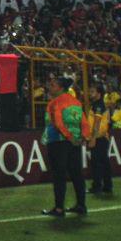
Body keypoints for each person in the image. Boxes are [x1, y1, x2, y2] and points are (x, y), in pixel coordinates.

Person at [41, 76, 88, 217]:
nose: (50, 87)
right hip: (75, 143)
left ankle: (59, 208)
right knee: (77, 174)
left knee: (59, 176)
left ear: (60, 88)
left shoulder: (55, 103)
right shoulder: (76, 102)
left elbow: (58, 123)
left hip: (58, 142)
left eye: (53, 85)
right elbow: (84, 121)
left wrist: (69, 136)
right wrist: (84, 136)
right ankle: (81, 205)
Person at [85, 85, 112, 195]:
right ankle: (107, 186)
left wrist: (93, 138)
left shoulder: (98, 105)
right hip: (102, 137)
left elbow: (96, 123)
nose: (90, 93)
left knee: (96, 163)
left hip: (99, 138)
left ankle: (97, 187)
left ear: (99, 93)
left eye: (92, 91)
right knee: (104, 162)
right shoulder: (98, 105)